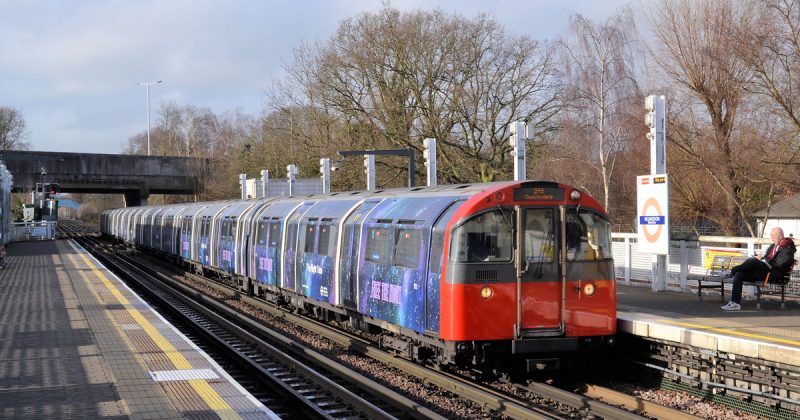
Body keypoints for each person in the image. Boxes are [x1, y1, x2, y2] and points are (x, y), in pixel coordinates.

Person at [721, 227, 796, 311]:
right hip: (764, 272)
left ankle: (731, 271)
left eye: (773, 237)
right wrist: (762, 259)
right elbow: (767, 258)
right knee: (739, 274)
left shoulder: (788, 250)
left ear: (780, 236)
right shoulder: (773, 246)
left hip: (773, 274)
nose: (772, 239)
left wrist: (764, 261)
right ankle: (735, 303)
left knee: (752, 261)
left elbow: (779, 266)